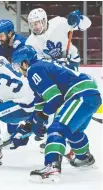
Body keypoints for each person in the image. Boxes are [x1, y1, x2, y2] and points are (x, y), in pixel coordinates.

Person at [11, 45, 101, 183]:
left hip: (79, 94)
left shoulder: (33, 70)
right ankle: (84, 158)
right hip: (89, 94)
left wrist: (42, 118)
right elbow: (41, 102)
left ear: (25, 62)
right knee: (73, 131)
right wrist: (31, 124)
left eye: (18, 65)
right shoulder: (42, 66)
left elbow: (55, 99)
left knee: (57, 128)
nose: (18, 70)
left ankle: (52, 166)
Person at [26, 9, 91, 71]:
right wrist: (57, 62)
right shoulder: (30, 42)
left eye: (36, 24)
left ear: (43, 21)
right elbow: (39, 63)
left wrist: (80, 19)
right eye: (31, 24)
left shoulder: (58, 22)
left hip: (71, 61)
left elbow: (87, 24)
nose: (33, 27)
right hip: (50, 67)